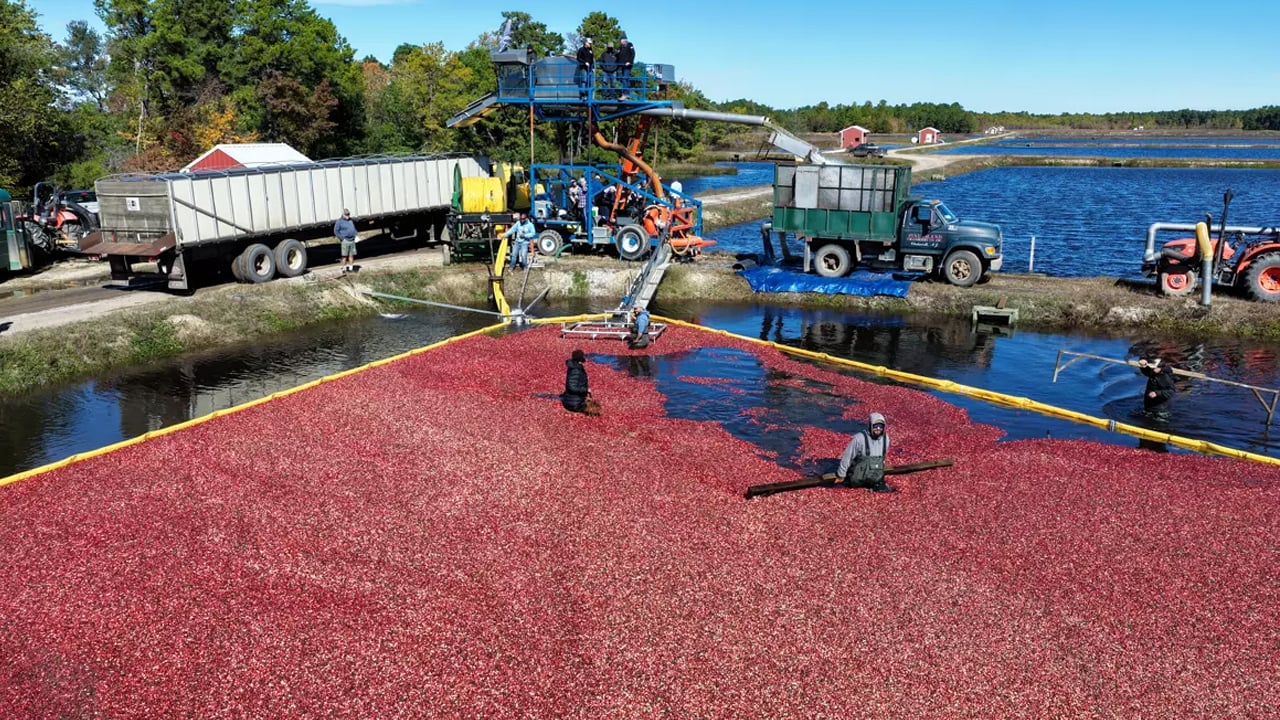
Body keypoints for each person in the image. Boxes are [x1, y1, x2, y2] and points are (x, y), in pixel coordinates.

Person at [836, 412, 894, 493]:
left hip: (875, 479)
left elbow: (883, 458)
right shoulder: (859, 439)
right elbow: (847, 457)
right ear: (870, 425)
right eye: (875, 426)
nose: (878, 428)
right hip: (857, 479)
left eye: (881, 426)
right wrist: (841, 475)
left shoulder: (885, 439)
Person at [1138, 355, 1177, 421]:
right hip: (1150, 406)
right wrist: (1143, 365)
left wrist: (1157, 393)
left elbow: (1171, 391)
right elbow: (1147, 372)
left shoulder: (1164, 377)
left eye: (1153, 368)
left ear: (1159, 368)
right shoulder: (1154, 373)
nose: (1152, 369)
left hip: (1160, 410)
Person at [562, 349, 594, 414]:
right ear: (579, 359)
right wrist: (586, 390)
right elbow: (572, 387)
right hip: (574, 404)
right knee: (593, 409)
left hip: (574, 400)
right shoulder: (576, 370)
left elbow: (576, 381)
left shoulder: (575, 367)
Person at [334, 208, 358, 273]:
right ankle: (344, 269)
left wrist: (356, 234)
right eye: (346, 214)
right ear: (343, 214)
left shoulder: (350, 220)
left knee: (351, 255)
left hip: (352, 240)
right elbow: (336, 231)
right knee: (344, 256)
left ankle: (351, 268)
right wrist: (342, 238)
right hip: (345, 240)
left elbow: (353, 228)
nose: (348, 216)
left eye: (348, 214)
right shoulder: (339, 221)